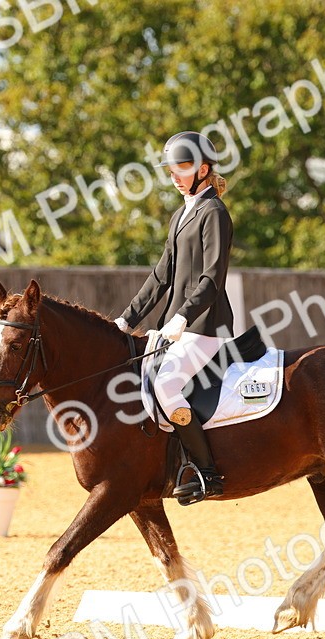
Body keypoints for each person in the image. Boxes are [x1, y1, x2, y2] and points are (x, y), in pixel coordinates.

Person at [114, 131, 234, 505]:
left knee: (165, 386)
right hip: (175, 327)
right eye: (170, 170)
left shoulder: (214, 213)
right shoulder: (181, 214)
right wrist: (125, 320)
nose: (174, 176)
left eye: (181, 168)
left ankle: (208, 472)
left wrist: (182, 317)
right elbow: (161, 275)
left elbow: (212, 278)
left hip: (205, 328)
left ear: (203, 168)